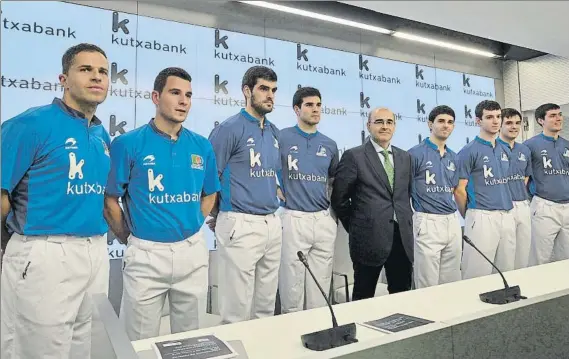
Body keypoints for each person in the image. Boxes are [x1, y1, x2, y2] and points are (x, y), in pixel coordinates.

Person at [1, 43, 111, 359]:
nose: (96, 77)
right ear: (63, 79)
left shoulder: (101, 134)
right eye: (85, 69)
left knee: (83, 348)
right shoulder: (30, 124)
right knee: (37, 351)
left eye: (103, 71)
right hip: (44, 252)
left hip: (93, 251)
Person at [104, 67, 220, 340]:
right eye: (175, 93)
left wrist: (191, 223)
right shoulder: (127, 143)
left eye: (189, 95)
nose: (184, 101)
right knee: (137, 340)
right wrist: (130, 238)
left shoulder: (202, 146)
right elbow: (109, 199)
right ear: (156, 97)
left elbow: (210, 194)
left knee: (189, 340)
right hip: (146, 254)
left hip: (191, 251)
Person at [207, 66, 282, 323]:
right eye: (263, 89)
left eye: (273, 90)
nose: (270, 95)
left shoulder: (274, 132)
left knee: (265, 310)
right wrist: (219, 215)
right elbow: (209, 178)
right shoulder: (228, 129)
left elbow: (276, 178)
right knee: (236, 312)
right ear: (247, 91)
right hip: (239, 222)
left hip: (272, 223)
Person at [331, 107, 414, 300]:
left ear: (394, 126)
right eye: (379, 122)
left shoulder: (405, 157)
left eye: (389, 122)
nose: (385, 126)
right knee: (363, 295)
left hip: (401, 238)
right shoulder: (354, 156)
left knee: (401, 294)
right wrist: (357, 225)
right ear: (368, 126)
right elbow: (339, 199)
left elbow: (404, 195)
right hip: (368, 238)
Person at [277, 87, 339, 313]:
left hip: (322, 219)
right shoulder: (281, 137)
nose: (315, 110)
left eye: (318, 105)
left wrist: (331, 217)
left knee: (320, 292)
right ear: (297, 109)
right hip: (294, 217)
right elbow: (264, 167)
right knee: (291, 290)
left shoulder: (330, 144)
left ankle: (321, 338)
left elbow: (332, 181)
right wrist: (275, 187)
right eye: (309, 105)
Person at [454, 100, 515, 279]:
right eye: (489, 117)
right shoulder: (468, 151)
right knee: (477, 271)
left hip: (507, 215)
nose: (495, 121)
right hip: (481, 215)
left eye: (498, 117)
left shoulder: (504, 148)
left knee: (507, 270)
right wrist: (471, 213)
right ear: (478, 121)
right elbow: (459, 190)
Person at [408, 105, 462, 288]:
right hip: (427, 220)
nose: (446, 126)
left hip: (452, 221)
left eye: (450, 122)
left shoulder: (454, 157)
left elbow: (455, 189)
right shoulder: (414, 154)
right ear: (430, 124)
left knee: (452, 281)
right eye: (441, 121)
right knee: (427, 282)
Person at [524, 103, 569, 265]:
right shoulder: (529, 145)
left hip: (567, 206)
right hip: (544, 206)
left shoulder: (566, 144)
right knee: (539, 258)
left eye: (559, 114)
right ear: (540, 120)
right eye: (552, 115)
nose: (558, 118)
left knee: (565, 259)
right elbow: (523, 179)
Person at [497, 108, 532, 269]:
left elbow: (525, 178)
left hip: (523, 205)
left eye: (517, 123)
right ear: (499, 125)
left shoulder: (524, 150)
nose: (514, 127)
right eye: (509, 123)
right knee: (505, 256)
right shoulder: (493, 148)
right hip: (503, 207)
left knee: (524, 254)